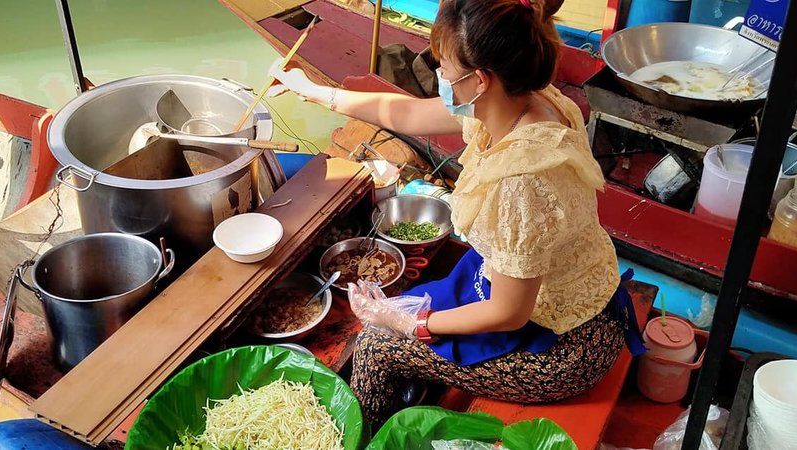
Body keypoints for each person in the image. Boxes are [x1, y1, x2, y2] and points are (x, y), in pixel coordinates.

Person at [268, 0, 646, 426]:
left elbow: (509, 313)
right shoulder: (524, 99)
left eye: (443, 67)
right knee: (412, 303)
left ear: (480, 80)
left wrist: (409, 324)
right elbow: (406, 112)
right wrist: (317, 92)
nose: (440, 77)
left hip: (563, 348)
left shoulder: (520, 181)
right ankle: (417, 384)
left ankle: (369, 433)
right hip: (560, 293)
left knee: (377, 343)